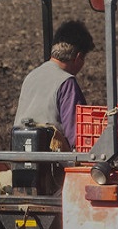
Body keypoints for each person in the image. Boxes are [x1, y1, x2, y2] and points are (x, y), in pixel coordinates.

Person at [14, 20, 95, 150]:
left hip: (21, 154)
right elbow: (77, 138)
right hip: (52, 162)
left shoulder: (31, 76)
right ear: (78, 57)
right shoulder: (66, 82)